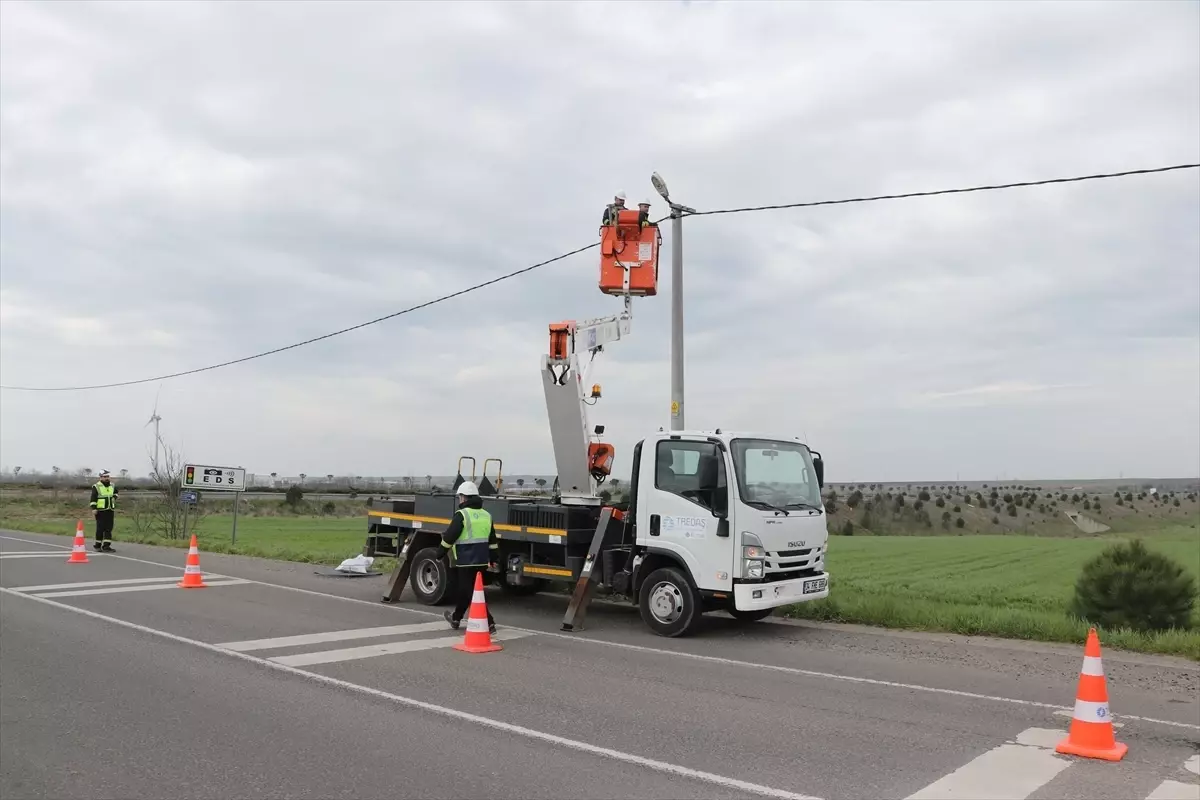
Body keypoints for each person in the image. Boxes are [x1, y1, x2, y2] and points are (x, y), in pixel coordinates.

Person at [440, 480, 499, 633]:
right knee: (466, 591)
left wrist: (439, 553)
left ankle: (490, 623)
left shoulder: (462, 515)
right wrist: (493, 559)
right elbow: (492, 541)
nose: (459, 499)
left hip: (465, 560)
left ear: (464, 498)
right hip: (481, 560)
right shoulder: (487, 515)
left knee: (471, 592)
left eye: (460, 497)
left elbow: (449, 537)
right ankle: (456, 618)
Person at [89, 470, 119, 551]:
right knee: (100, 528)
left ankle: (106, 546)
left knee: (109, 528)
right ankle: (98, 545)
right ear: (101, 477)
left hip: (110, 509)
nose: (106, 478)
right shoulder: (96, 486)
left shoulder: (112, 485)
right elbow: (93, 498)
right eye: (104, 477)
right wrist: (94, 508)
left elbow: (116, 493)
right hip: (100, 511)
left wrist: (114, 498)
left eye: (107, 477)